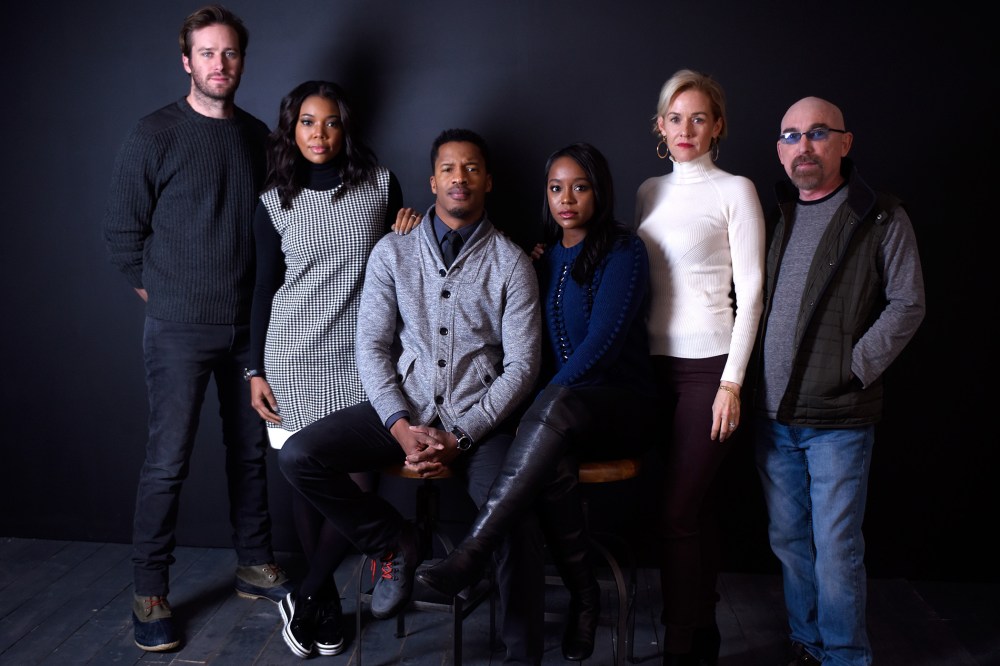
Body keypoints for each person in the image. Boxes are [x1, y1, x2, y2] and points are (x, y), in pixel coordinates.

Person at [278, 128, 546, 664]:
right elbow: (371, 348)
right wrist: (400, 426)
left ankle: (523, 655)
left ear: (488, 181)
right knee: (300, 456)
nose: (459, 178)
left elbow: (523, 368)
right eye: (448, 169)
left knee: (513, 512)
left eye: (471, 168)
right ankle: (393, 541)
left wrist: (463, 434)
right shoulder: (393, 251)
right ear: (432, 181)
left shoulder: (512, 263)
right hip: (402, 410)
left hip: (478, 423)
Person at [417, 142, 657, 662]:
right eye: (555, 188)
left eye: (580, 186)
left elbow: (603, 344)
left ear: (600, 190)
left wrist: (539, 406)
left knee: (551, 417)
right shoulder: (540, 258)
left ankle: (472, 551)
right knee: (552, 460)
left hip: (621, 407)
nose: (566, 199)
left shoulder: (623, 251)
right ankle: (585, 596)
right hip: (561, 418)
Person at [102, 5, 293, 653]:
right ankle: (150, 588)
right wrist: (170, 300)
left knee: (249, 452)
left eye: (231, 53)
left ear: (242, 60)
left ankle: (253, 560)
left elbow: (279, 230)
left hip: (247, 330)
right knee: (168, 461)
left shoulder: (259, 137)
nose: (220, 64)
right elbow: (123, 236)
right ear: (187, 61)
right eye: (207, 53)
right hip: (178, 329)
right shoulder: (154, 133)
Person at [247, 80, 420, 658]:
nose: (319, 135)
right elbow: (262, 290)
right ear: (290, 130)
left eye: (330, 123)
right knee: (306, 478)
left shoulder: (379, 184)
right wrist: (253, 370)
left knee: (358, 480)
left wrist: (410, 228)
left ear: (346, 128)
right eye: (307, 123)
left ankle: (308, 590)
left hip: (360, 353)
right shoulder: (275, 198)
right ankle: (323, 607)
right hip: (291, 351)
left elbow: (403, 255)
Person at [753, 96, 925, 666]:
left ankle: (846, 656)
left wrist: (853, 368)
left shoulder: (881, 216)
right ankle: (808, 643)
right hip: (774, 416)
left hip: (839, 421)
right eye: (791, 136)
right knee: (790, 543)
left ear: (845, 143)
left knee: (837, 549)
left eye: (818, 133)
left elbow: (908, 304)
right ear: (780, 151)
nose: (804, 146)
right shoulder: (781, 217)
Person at [635, 69, 766, 666]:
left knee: (678, 512)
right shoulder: (647, 193)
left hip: (709, 367)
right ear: (660, 126)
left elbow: (754, 290)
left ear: (717, 126)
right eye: (675, 117)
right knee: (696, 510)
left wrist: (732, 381)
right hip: (651, 371)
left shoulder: (734, 189)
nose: (686, 129)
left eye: (698, 118)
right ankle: (705, 627)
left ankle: (681, 645)